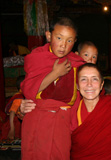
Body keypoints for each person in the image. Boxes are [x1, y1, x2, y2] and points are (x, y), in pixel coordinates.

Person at [20, 17, 85, 160]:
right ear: (49, 36)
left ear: (75, 42)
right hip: (38, 119)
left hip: (63, 120)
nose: (63, 45)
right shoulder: (37, 58)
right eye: (59, 38)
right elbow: (29, 89)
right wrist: (55, 73)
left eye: (69, 40)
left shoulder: (76, 62)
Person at [71, 63, 111, 159]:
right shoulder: (71, 112)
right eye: (83, 79)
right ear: (77, 86)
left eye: (94, 79)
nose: (89, 84)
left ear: (101, 85)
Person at [1, 75, 25, 140]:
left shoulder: (22, 96)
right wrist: (12, 129)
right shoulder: (19, 98)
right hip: (15, 123)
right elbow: (12, 112)